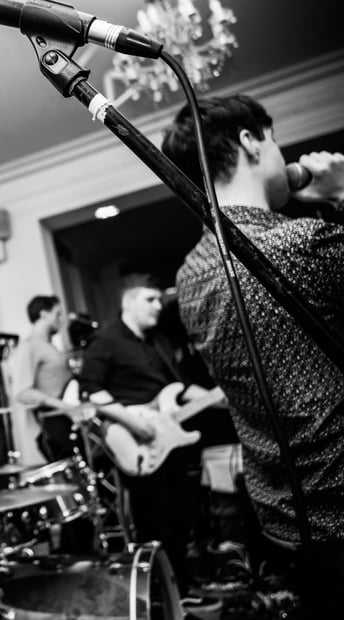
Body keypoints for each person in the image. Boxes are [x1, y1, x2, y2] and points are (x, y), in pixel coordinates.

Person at [164, 93, 344, 615]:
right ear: (250, 140)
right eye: (275, 139)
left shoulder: (189, 276)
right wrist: (339, 193)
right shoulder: (303, 244)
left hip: (282, 522)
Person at [78, 274, 214, 607]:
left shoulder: (159, 341)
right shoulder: (106, 340)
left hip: (169, 440)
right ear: (128, 302)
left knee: (183, 515)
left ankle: (181, 589)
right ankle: (156, 597)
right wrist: (134, 424)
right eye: (150, 300)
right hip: (136, 442)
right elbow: (91, 391)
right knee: (155, 521)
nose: (158, 306)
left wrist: (217, 396)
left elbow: (178, 387)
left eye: (159, 300)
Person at [9, 295, 75, 463]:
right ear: (43, 314)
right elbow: (21, 392)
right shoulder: (29, 346)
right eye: (57, 314)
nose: (61, 319)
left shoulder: (49, 346)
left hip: (68, 420)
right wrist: (60, 405)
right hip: (53, 423)